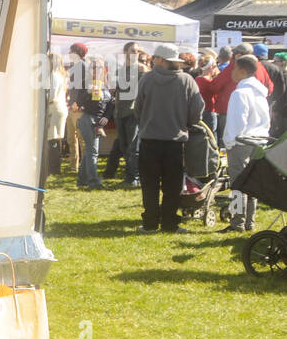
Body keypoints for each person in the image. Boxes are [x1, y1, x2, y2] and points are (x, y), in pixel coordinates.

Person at [135, 44, 205, 234]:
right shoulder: (187, 80)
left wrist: (146, 123)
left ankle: (150, 223)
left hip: (149, 140)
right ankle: (169, 223)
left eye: (155, 57)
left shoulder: (147, 79)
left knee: (149, 185)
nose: (153, 60)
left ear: (161, 60)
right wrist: (188, 124)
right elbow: (197, 109)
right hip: (175, 141)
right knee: (172, 186)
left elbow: (138, 108)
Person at [222, 54, 273, 232]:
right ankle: (249, 222)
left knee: (237, 185)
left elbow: (237, 123)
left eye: (235, 68)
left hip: (241, 142)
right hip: (259, 141)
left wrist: (229, 142)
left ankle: (237, 222)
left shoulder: (240, 93)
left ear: (242, 71)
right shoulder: (260, 93)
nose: (232, 72)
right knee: (252, 183)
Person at [104, 42, 143, 186]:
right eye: (133, 50)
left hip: (133, 112)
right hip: (119, 111)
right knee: (124, 146)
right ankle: (129, 176)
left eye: (137, 51)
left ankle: (133, 178)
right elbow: (113, 89)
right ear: (125, 51)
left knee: (133, 147)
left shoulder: (141, 70)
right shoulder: (120, 70)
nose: (136, 53)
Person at [71, 54, 111, 189]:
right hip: (88, 119)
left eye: (99, 67)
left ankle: (82, 181)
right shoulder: (85, 83)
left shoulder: (104, 84)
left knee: (90, 151)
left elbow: (110, 103)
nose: (96, 69)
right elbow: (77, 103)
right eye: (93, 67)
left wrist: (107, 116)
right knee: (92, 152)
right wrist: (87, 92)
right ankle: (94, 182)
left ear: (104, 69)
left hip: (98, 121)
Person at [44, 51, 69, 177]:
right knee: (55, 139)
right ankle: (55, 167)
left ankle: (53, 168)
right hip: (60, 108)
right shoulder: (60, 75)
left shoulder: (53, 75)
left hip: (54, 109)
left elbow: (51, 96)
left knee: (52, 139)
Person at [64, 43, 88, 171]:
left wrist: (79, 104)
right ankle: (74, 166)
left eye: (71, 51)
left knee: (82, 139)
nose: (69, 53)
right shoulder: (75, 66)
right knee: (70, 138)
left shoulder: (83, 67)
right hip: (72, 106)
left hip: (78, 108)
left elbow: (85, 89)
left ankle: (84, 166)